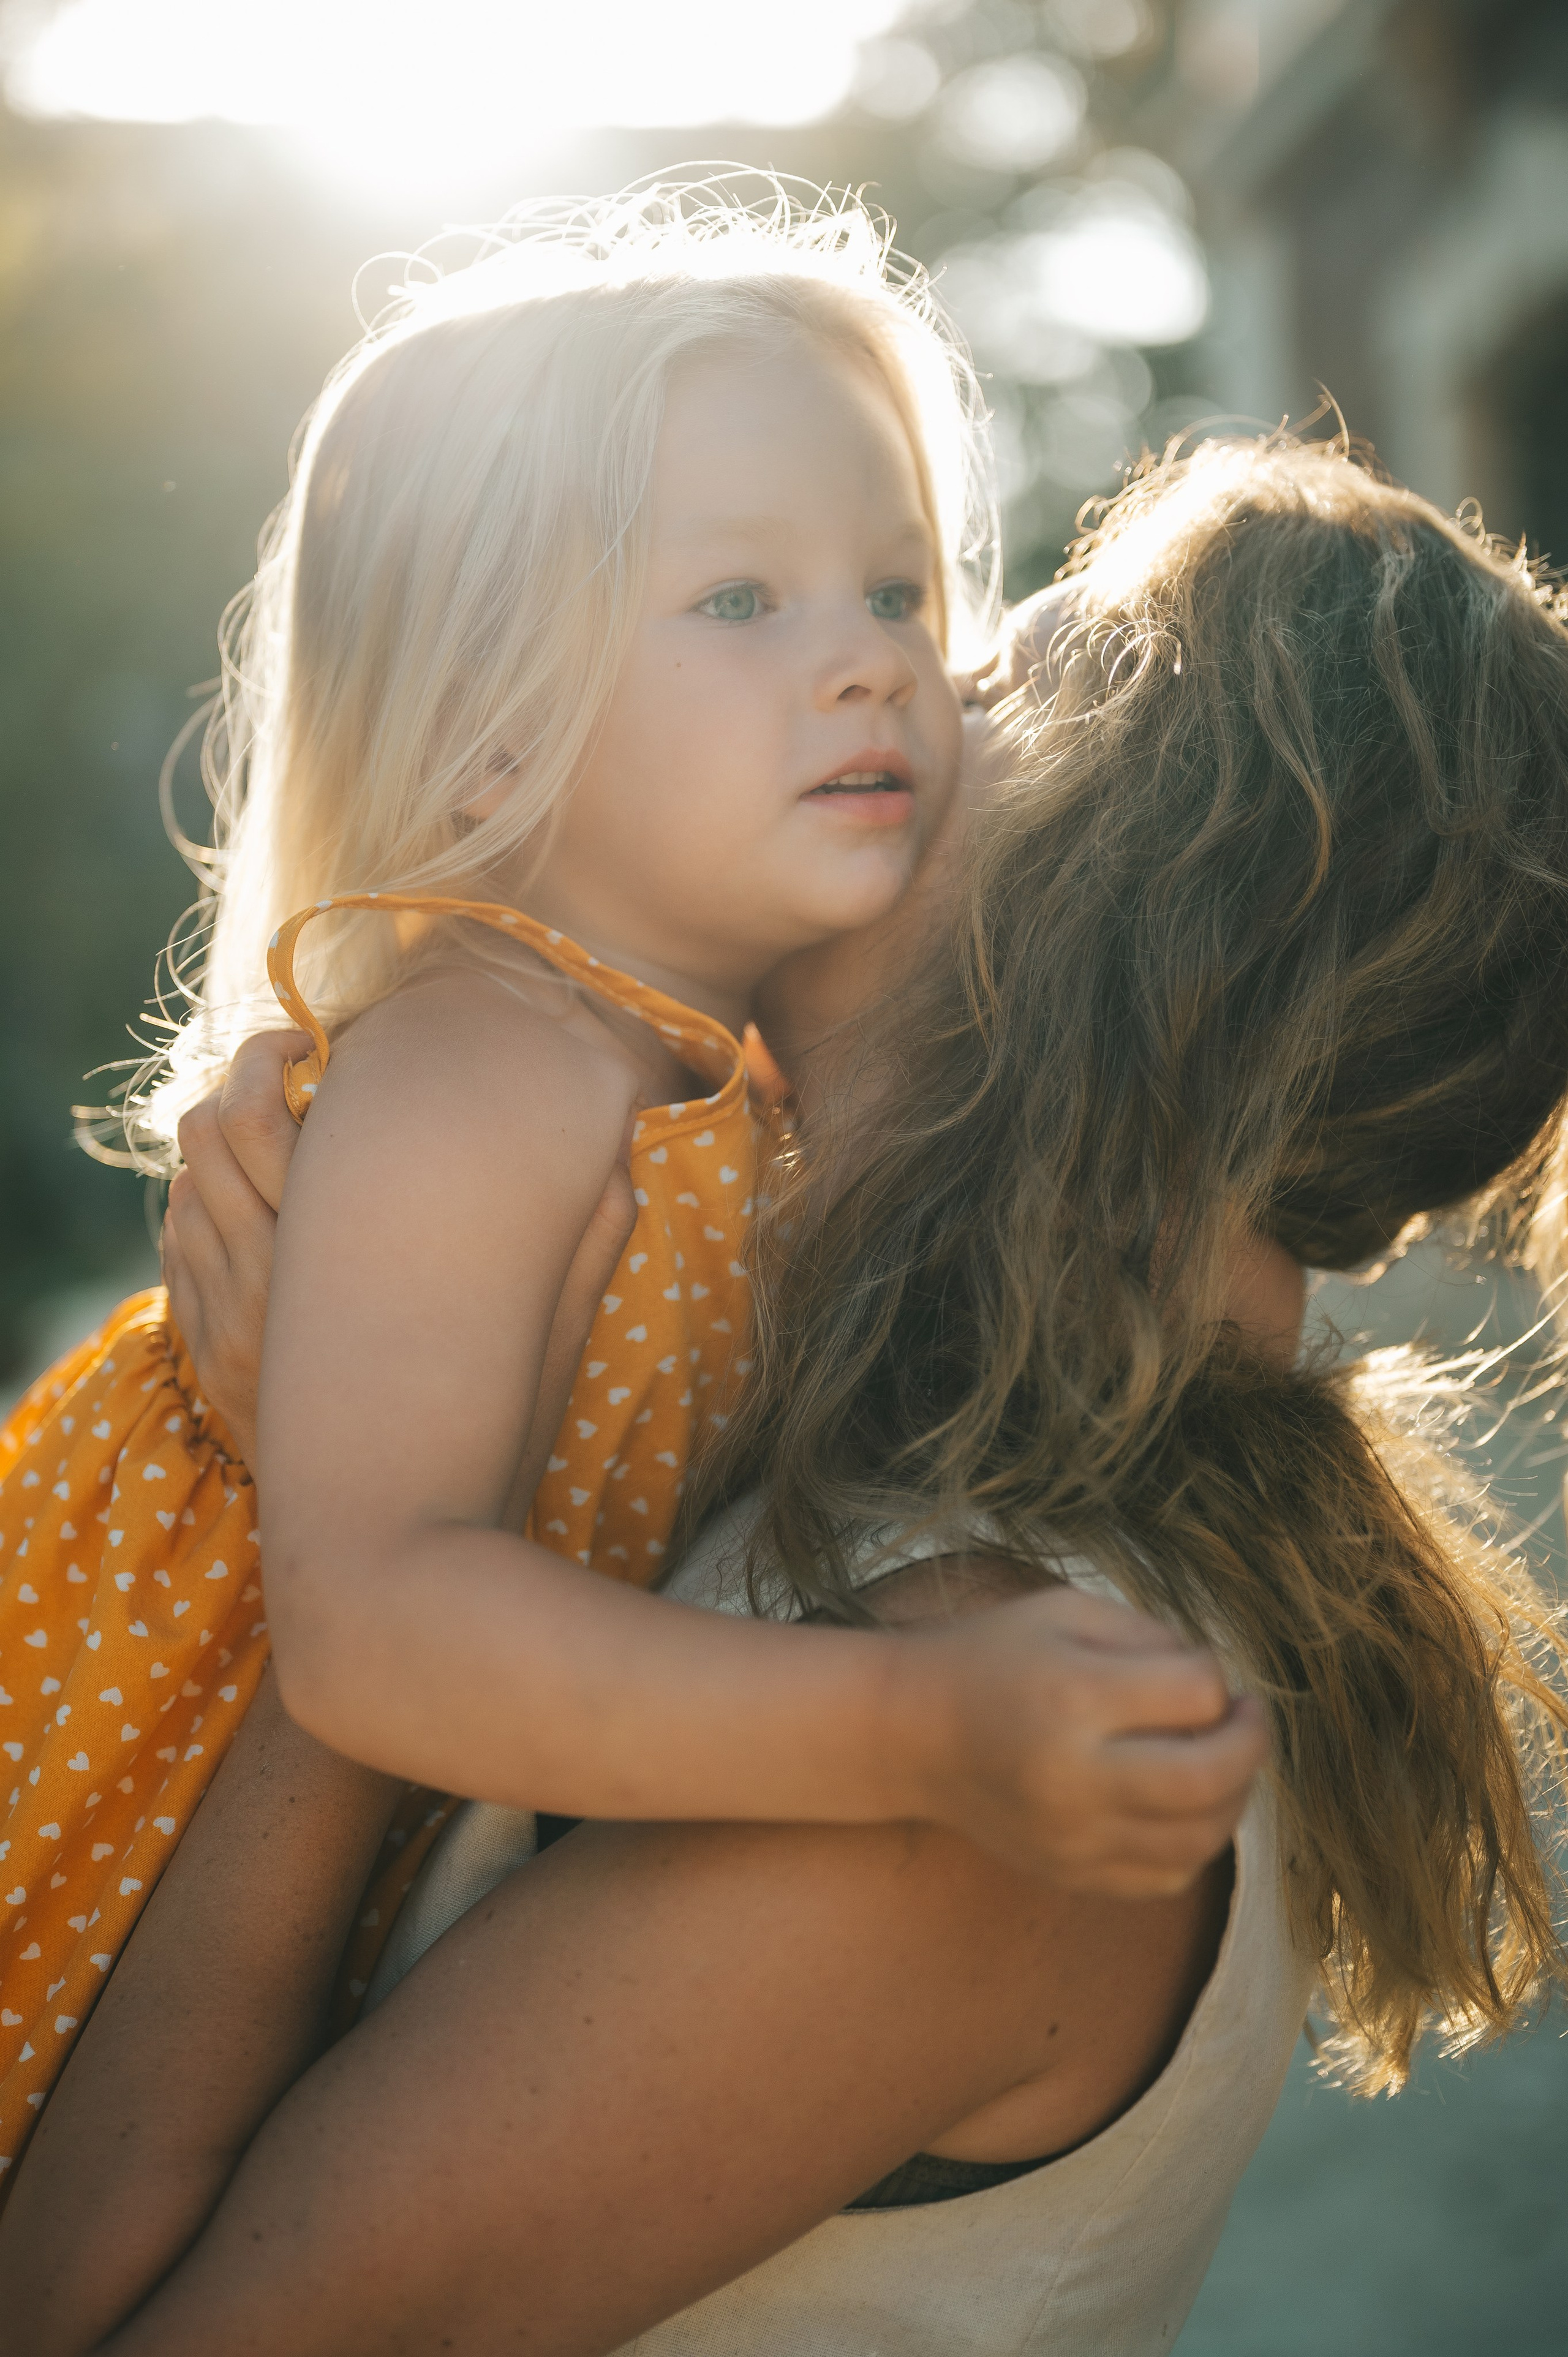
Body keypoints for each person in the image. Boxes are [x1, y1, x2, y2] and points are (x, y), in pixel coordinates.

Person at [7, 434, 1568, 2357]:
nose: (894, 695)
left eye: (987, 679)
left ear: (1136, 901)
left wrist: (343, 1546)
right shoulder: (877, 1501)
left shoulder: (952, 1748)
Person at [0, 181, 1264, 2178]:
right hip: (98, 1840)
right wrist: (927, 1733)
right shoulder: (485, 1055)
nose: (867, 665)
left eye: (897, 591)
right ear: (496, 741)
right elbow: (383, 1631)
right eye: (740, 602)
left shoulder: (699, 1079)